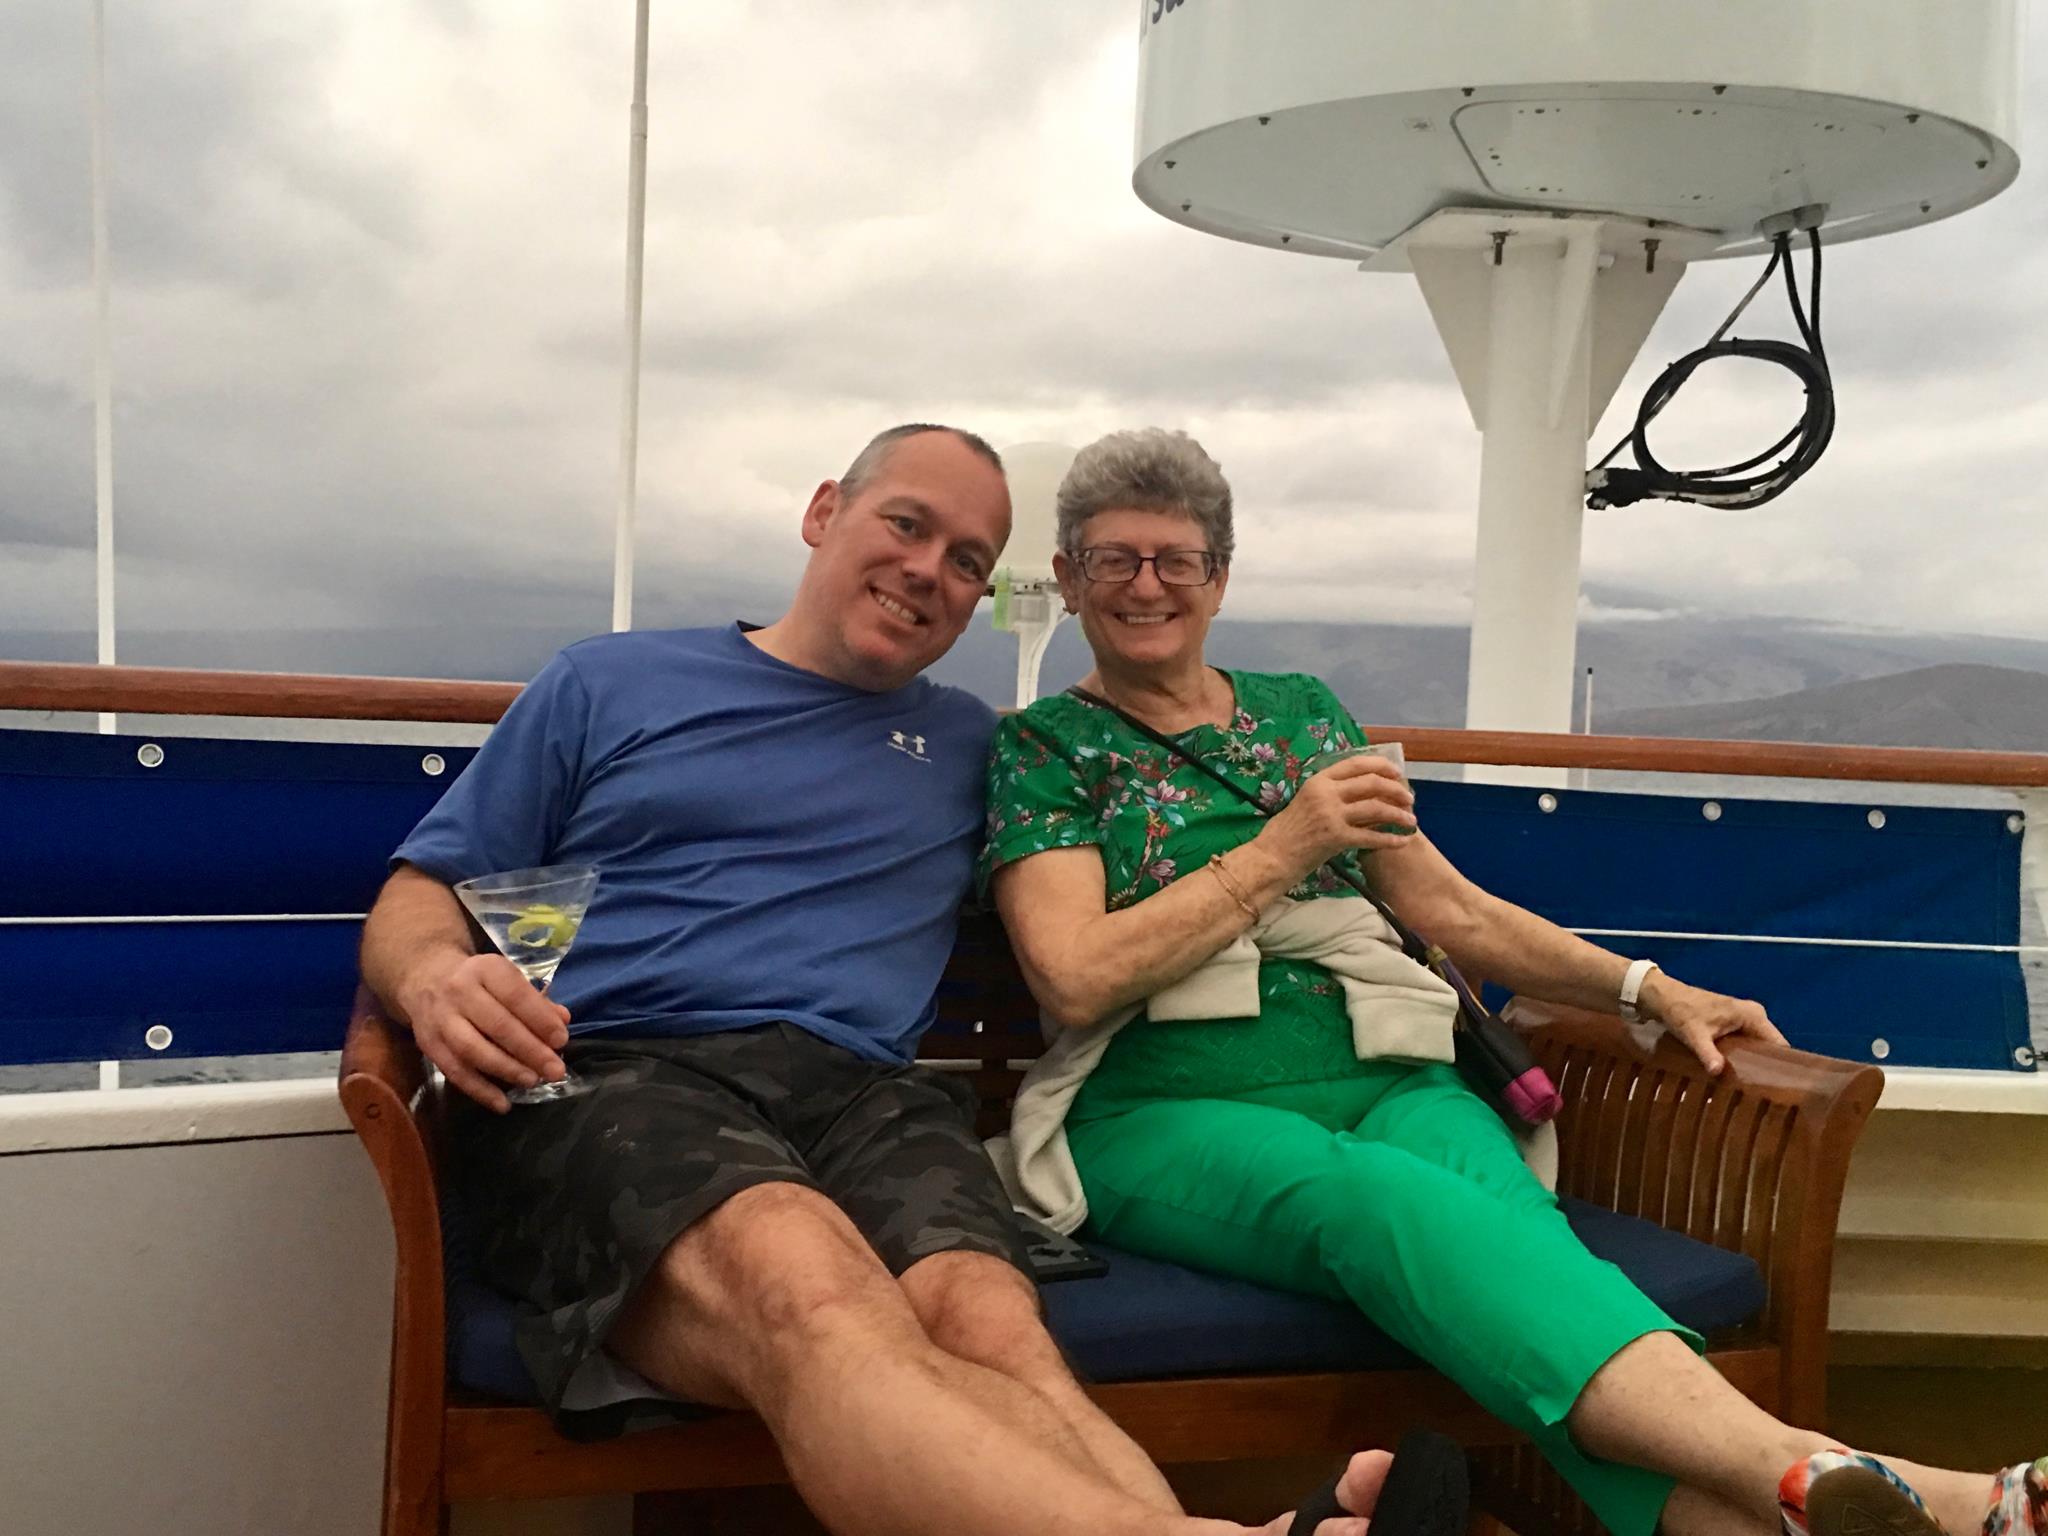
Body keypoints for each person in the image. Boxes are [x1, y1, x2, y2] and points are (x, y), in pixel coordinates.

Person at [980, 427, 2048, 1536]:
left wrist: (1644, 988)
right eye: (1112, 560)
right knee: (1387, 1201)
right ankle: (1885, 1483)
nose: (1145, 586)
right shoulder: (1049, 751)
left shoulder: (1299, 714)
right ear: (1066, 579)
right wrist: (1279, 849)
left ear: (1220, 578)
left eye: (1175, 560)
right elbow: (1071, 977)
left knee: (1509, 1256)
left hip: (1393, 1081)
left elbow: (1449, 910)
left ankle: (1814, 1507)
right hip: (1162, 1111)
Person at [357, 423, 1419, 1536]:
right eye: (906, 525)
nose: (929, 570)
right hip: (625, 1075)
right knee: (813, 1293)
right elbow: (425, 893)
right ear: (825, 513)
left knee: (996, 1332)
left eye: (967, 561)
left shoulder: (977, 748)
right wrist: (434, 981)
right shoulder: (609, 683)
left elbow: (1124, 860)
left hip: (864, 1094)